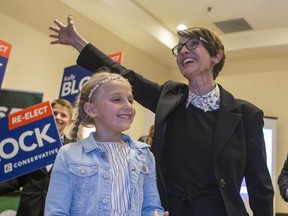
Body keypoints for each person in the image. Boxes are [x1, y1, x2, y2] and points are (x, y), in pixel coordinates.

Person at [49, 15, 274, 216]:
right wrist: (78, 42)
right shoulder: (169, 97)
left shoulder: (246, 115)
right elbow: (123, 74)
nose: (183, 51)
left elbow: (260, 185)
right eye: (179, 48)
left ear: (216, 56)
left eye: (193, 44)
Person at [45, 70, 168, 216]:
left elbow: (151, 206)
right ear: (91, 109)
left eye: (130, 100)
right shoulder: (68, 154)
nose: (128, 106)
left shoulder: (144, 154)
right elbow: (56, 212)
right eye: (116, 99)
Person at [0, 98, 74, 216]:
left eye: (63, 115)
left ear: (70, 121)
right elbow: (17, 179)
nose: (58, 117)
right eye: (54, 113)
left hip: (56, 211)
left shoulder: (73, 149)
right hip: (28, 209)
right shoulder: (31, 144)